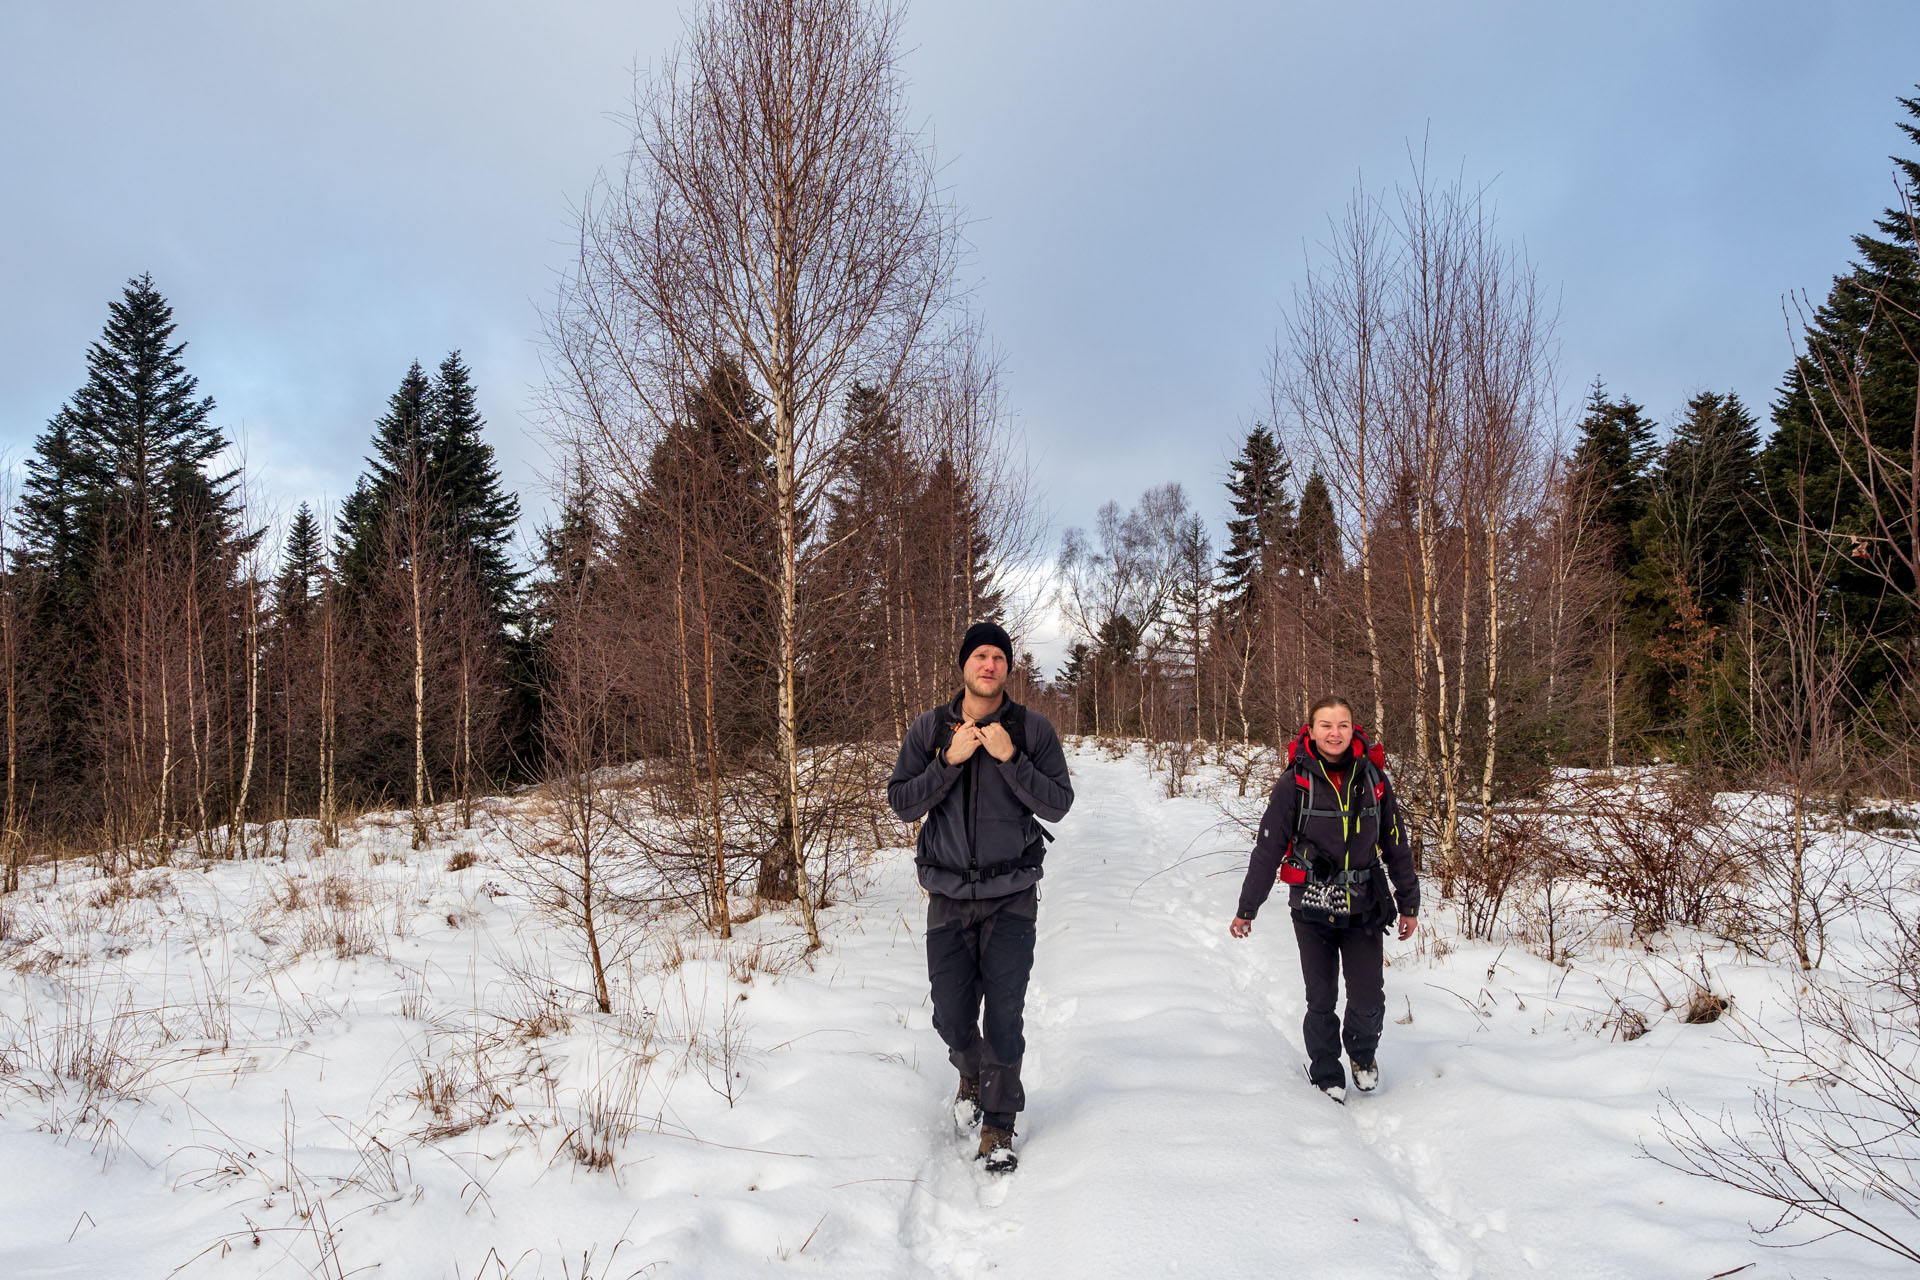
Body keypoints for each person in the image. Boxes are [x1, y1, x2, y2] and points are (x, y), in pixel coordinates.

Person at [886, 621, 1074, 1173]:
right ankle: (970, 1072)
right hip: (947, 893)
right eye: (980, 657)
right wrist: (948, 763)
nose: (989, 665)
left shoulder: (1031, 730)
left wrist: (1010, 758)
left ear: (1007, 669)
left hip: (1012, 892)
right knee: (950, 1015)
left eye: (998, 657)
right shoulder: (930, 729)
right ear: (964, 666)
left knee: (1006, 1015)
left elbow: (1058, 804)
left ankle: (999, 1125)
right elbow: (901, 802)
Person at [1228, 696, 1419, 1102]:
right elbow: (1268, 849)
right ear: (1311, 731)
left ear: (1354, 730)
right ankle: (1327, 1070)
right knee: (1321, 996)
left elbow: (1396, 844)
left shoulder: (1374, 779)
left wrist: (1409, 904)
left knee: (1368, 996)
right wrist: (1248, 908)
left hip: (1364, 904)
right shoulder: (1294, 782)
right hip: (1312, 906)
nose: (1335, 733)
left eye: (1343, 725)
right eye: (1326, 725)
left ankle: (1363, 1055)